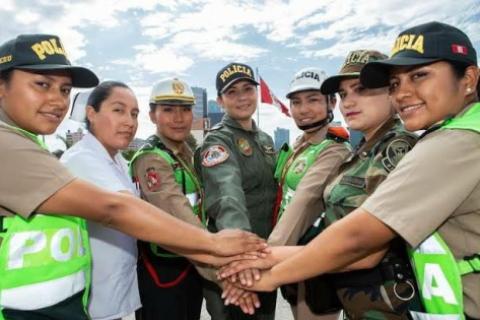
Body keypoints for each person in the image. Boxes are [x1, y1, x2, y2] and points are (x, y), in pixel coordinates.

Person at [220, 21, 480, 320]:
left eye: (419, 76)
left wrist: (264, 269)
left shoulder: (438, 144)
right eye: (344, 94)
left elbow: (361, 243)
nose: (349, 102)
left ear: (469, 78)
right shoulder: (364, 148)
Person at [0, 34, 266, 320]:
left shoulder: (97, 156)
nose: (56, 100)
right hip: (38, 307)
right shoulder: (67, 156)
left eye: (65, 90)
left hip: (75, 300)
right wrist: (217, 251)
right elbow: (116, 209)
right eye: (42, 85)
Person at [267, 67, 351, 320]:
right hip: (291, 252)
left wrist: (265, 257)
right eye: (296, 102)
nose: (303, 109)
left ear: (332, 102)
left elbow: (305, 201)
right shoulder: (300, 145)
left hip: (313, 259)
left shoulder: (333, 150)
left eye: (313, 100)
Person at [196, 62, 277, 320]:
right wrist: (242, 254)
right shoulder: (217, 141)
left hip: (264, 255)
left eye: (247, 89)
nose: (242, 97)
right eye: (232, 92)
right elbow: (227, 194)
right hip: (235, 261)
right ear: (220, 101)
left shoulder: (265, 140)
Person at [129, 78, 211, 320]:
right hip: (162, 272)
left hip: (190, 265)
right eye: (168, 110)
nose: (178, 118)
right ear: (153, 115)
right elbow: (180, 213)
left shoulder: (188, 154)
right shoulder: (151, 159)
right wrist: (221, 266)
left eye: (185, 109)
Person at [60, 81, 141, 320]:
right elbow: (129, 211)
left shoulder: (118, 160)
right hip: (91, 297)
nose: (129, 122)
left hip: (111, 288)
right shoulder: (81, 158)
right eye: (118, 110)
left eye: (134, 114)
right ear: (91, 113)